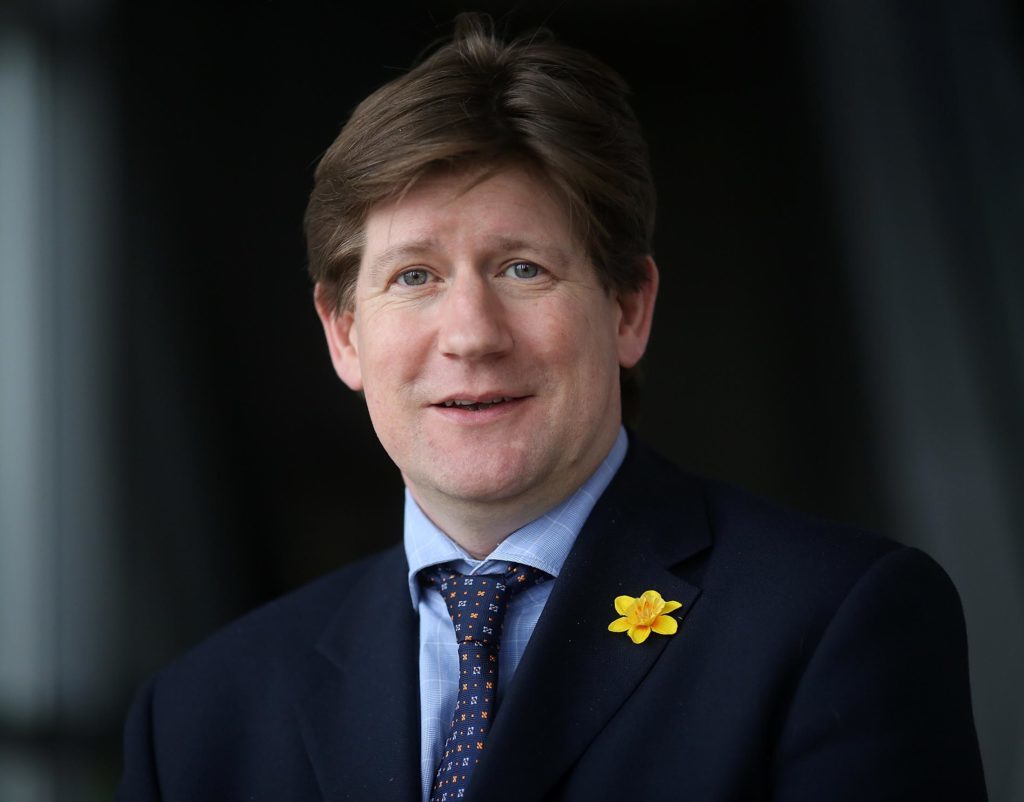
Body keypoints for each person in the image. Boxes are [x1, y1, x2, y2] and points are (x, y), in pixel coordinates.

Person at [116, 14, 987, 801]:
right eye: (414, 276)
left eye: (522, 269)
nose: (471, 335)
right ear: (343, 333)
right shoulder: (199, 716)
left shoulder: (834, 626)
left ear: (628, 308)